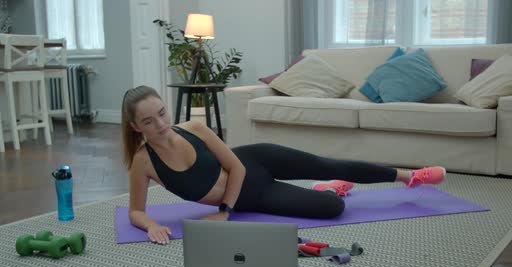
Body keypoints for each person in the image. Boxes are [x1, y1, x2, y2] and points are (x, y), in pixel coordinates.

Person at [121, 86, 446, 245]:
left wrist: (224, 210)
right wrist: (150, 225)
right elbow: (135, 210)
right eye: (148, 121)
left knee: (326, 163)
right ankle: (330, 189)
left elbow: (237, 168)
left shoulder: (192, 129)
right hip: (255, 197)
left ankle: (408, 176)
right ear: (137, 127)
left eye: (162, 112)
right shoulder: (143, 162)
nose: (160, 123)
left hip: (254, 162)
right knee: (332, 208)